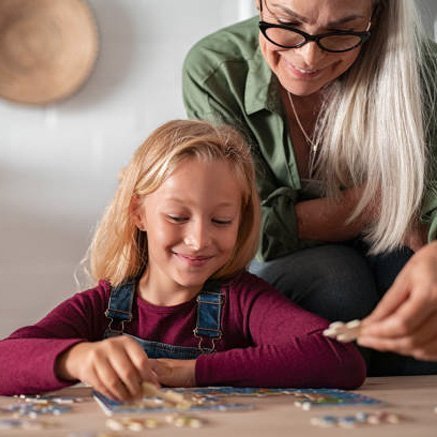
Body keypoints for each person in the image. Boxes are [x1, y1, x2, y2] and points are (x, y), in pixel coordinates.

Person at [0, 120, 366, 400]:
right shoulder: (102, 306)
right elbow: (6, 359)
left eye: (222, 221)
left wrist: (191, 371)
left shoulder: (241, 300)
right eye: (177, 217)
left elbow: (340, 358)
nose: (199, 240)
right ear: (138, 213)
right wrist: (75, 358)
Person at [182, 0, 437, 375]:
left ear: (376, 17)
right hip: (292, 263)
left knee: (414, 290)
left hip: (394, 248)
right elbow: (250, 226)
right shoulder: (216, 70)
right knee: (337, 280)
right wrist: (373, 204)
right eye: (287, 23)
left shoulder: (424, 70)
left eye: (342, 31)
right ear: (259, 3)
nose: (309, 56)